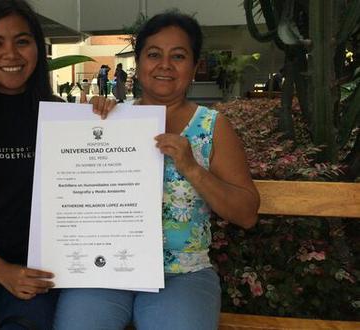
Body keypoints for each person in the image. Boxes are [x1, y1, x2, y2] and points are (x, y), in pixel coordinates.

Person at [54, 10, 260, 330]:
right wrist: (89, 124)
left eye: (178, 56)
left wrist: (191, 168)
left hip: (182, 274)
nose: (165, 64)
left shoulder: (212, 126)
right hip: (105, 269)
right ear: (139, 63)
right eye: (153, 54)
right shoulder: (111, 121)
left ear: (193, 67)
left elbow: (246, 214)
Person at [0, 1, 115, 329]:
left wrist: (108, 117)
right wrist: (0, 270)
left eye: (22, 41)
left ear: (38, 49)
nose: (10, 54)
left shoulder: (63, 116)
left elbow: (98, 181)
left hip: (39, 264)